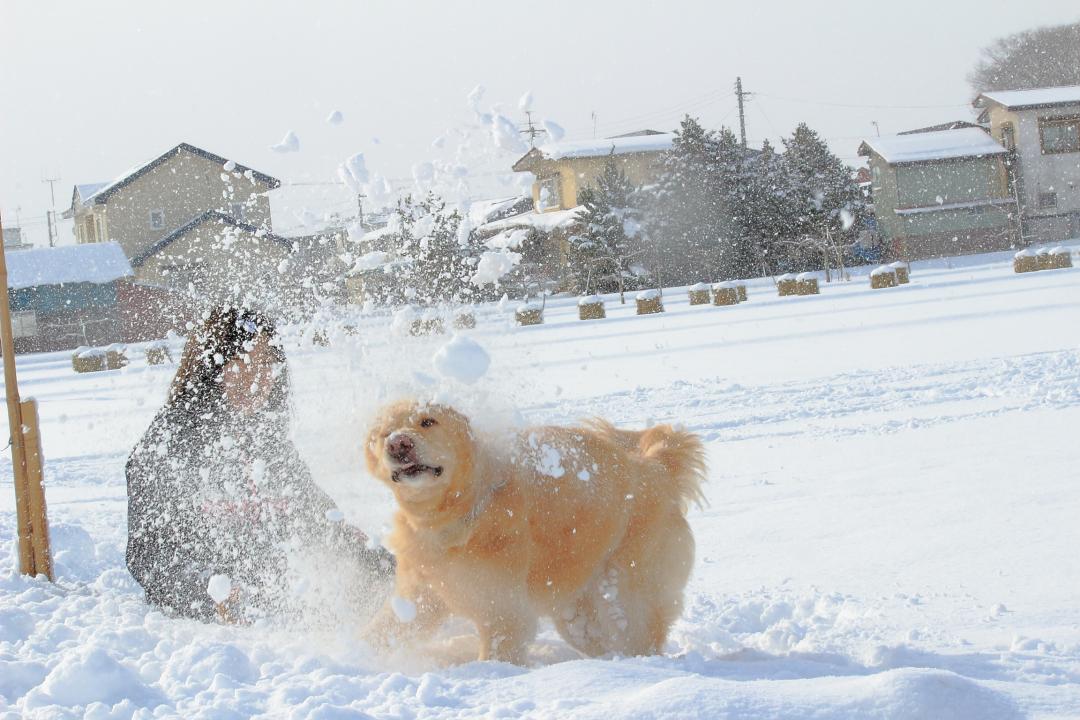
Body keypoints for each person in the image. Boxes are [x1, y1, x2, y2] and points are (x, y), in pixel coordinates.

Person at [126, 306, 393, 622]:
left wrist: (384, 568)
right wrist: (211, 593)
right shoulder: (170, 443)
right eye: (242, 362)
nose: (257, 377)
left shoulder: (269, 443)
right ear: (210, 367)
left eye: (267, 363)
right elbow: (149, 556)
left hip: (285, 612)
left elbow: (318, 518)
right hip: (206, 639)